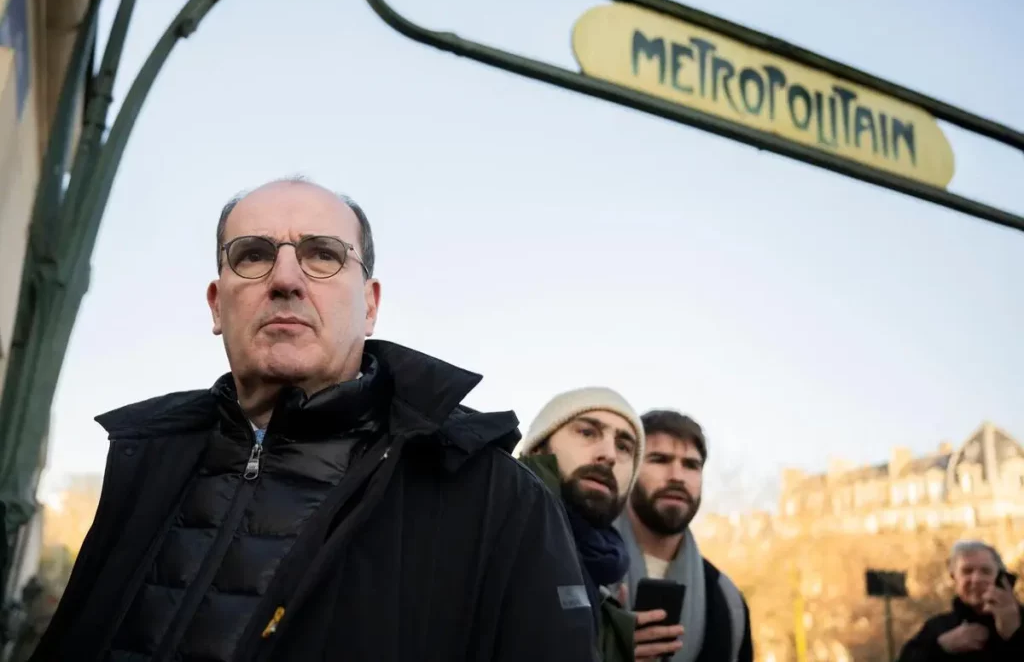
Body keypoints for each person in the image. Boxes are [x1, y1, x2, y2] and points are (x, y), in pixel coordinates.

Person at [30, 177, 597, 662]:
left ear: (370, 305)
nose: (285, 278)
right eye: (252, 254)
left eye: (323, 255)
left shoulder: (496, 499)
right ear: (214, 305)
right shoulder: (144, 461)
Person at [518, 387, 684, 662]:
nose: (609, 454)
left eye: (624, 447)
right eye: (587, 432)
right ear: (537, 447)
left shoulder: (598, 572)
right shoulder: (498, 527)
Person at [615, 410, 752, 662]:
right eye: (659, 459)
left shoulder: (726, 600)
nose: (677, 476)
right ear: (629, 470)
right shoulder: (581, 569)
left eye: (691, 465)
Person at [897, 540, 1023, 660]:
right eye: (967, 571)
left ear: (1000, 577)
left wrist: (1014, 634)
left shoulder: (1020, 621)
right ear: (954, 577)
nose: (976, 579)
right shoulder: (938, 628)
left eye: (986, 571)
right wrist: (941, 648)